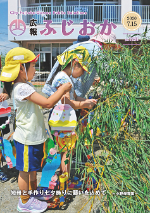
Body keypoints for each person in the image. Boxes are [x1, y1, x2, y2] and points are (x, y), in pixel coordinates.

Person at [0, 47, 72, 213]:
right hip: (26, 138)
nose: (35, 69)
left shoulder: (25, 85)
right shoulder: (21, 88)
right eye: (32, 66)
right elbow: (47, 103)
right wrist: (61, 90)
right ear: (21, 68)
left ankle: (32, 195)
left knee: (31, 168)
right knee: (25, 171)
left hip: (32, 137)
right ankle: (24, 202)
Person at [47, 46, 97, 176]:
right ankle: (65, 180)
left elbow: (75, 97)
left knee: (68, 150)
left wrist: (88, 102)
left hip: (65, 120)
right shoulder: (63, 78)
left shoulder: (67, 78)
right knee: (66, 151)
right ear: (75, 64)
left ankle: (65, 177)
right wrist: (84, 104)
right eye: (83, 70)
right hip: (62, 121)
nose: (83, 74)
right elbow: (67, 102)